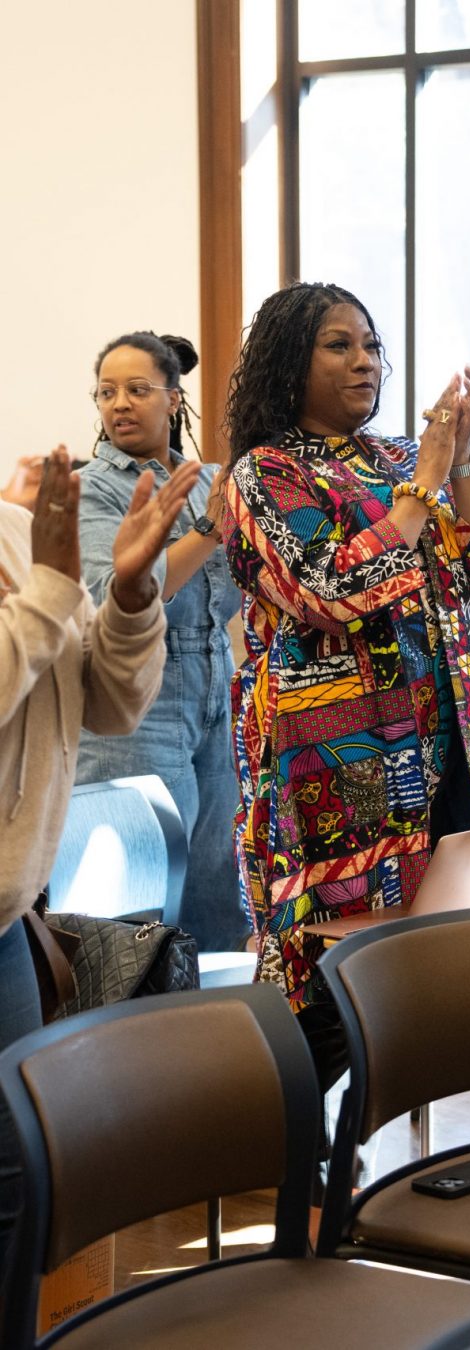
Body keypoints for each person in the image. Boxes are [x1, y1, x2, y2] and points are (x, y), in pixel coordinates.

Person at [222, 280, 470, 1088]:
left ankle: (398, 1149)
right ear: (291, 363)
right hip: (334, 761)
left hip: (452, 740)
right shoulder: (265, 475)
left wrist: (458, 462)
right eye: (339, 345)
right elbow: (330, 591)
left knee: (439, 956)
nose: (365, 362)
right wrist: (423, 486)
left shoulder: (398, 457)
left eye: (371, 345)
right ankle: (276, 1148)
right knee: (334, 966)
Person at [0, 444, 201, 1282]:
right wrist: (50, 592)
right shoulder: (38, 561)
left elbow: (112, 702)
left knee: (18, 1184)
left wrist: (127, 593)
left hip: (5, 925)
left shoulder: (20, 536)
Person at [74, 332, 248, 952]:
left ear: (175, 400)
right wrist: (209, 528)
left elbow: (234, 593)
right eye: (106, 392)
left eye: (138, 389)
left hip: (214, 690)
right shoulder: (92, 487)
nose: (119, 403)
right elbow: (117, 594)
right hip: (137, 700)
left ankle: (218, 1036)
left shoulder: (208, 480)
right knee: (133, 905)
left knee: (215, 885)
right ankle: (123, 1042)